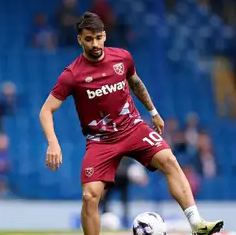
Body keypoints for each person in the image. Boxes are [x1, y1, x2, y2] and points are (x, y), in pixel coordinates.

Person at [39, 12, 224, 235]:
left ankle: (197, 224)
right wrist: (53, 142)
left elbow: (135, 83)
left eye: (98, 37)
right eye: (89, 39)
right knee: (90, 196)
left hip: (132, 128)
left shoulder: (122, 58)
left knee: (169, 160)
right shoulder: (72, 75)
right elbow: (46, 110)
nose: (95, 43)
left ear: (105, 36)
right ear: (80, 40)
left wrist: (153, 111)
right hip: (101, 141)